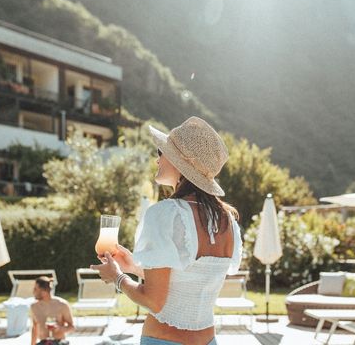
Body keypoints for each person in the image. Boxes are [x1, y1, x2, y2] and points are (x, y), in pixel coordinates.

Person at [92, 116, 243, 345]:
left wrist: (117, 277)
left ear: (178, 162)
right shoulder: (227, 221)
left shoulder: (165, 214)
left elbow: (154, 301)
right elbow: (186, 282)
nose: (157, 160)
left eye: (161, 153)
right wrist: (134, 267)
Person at [30, 276, 75, 345]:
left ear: (44, 291)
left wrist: (60, 328)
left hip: (59, 342)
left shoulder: (62, 305)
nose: (33, 292)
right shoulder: (34, 307)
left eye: (35, 289)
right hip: (42, 342)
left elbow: (72, 327)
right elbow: (34, 328)